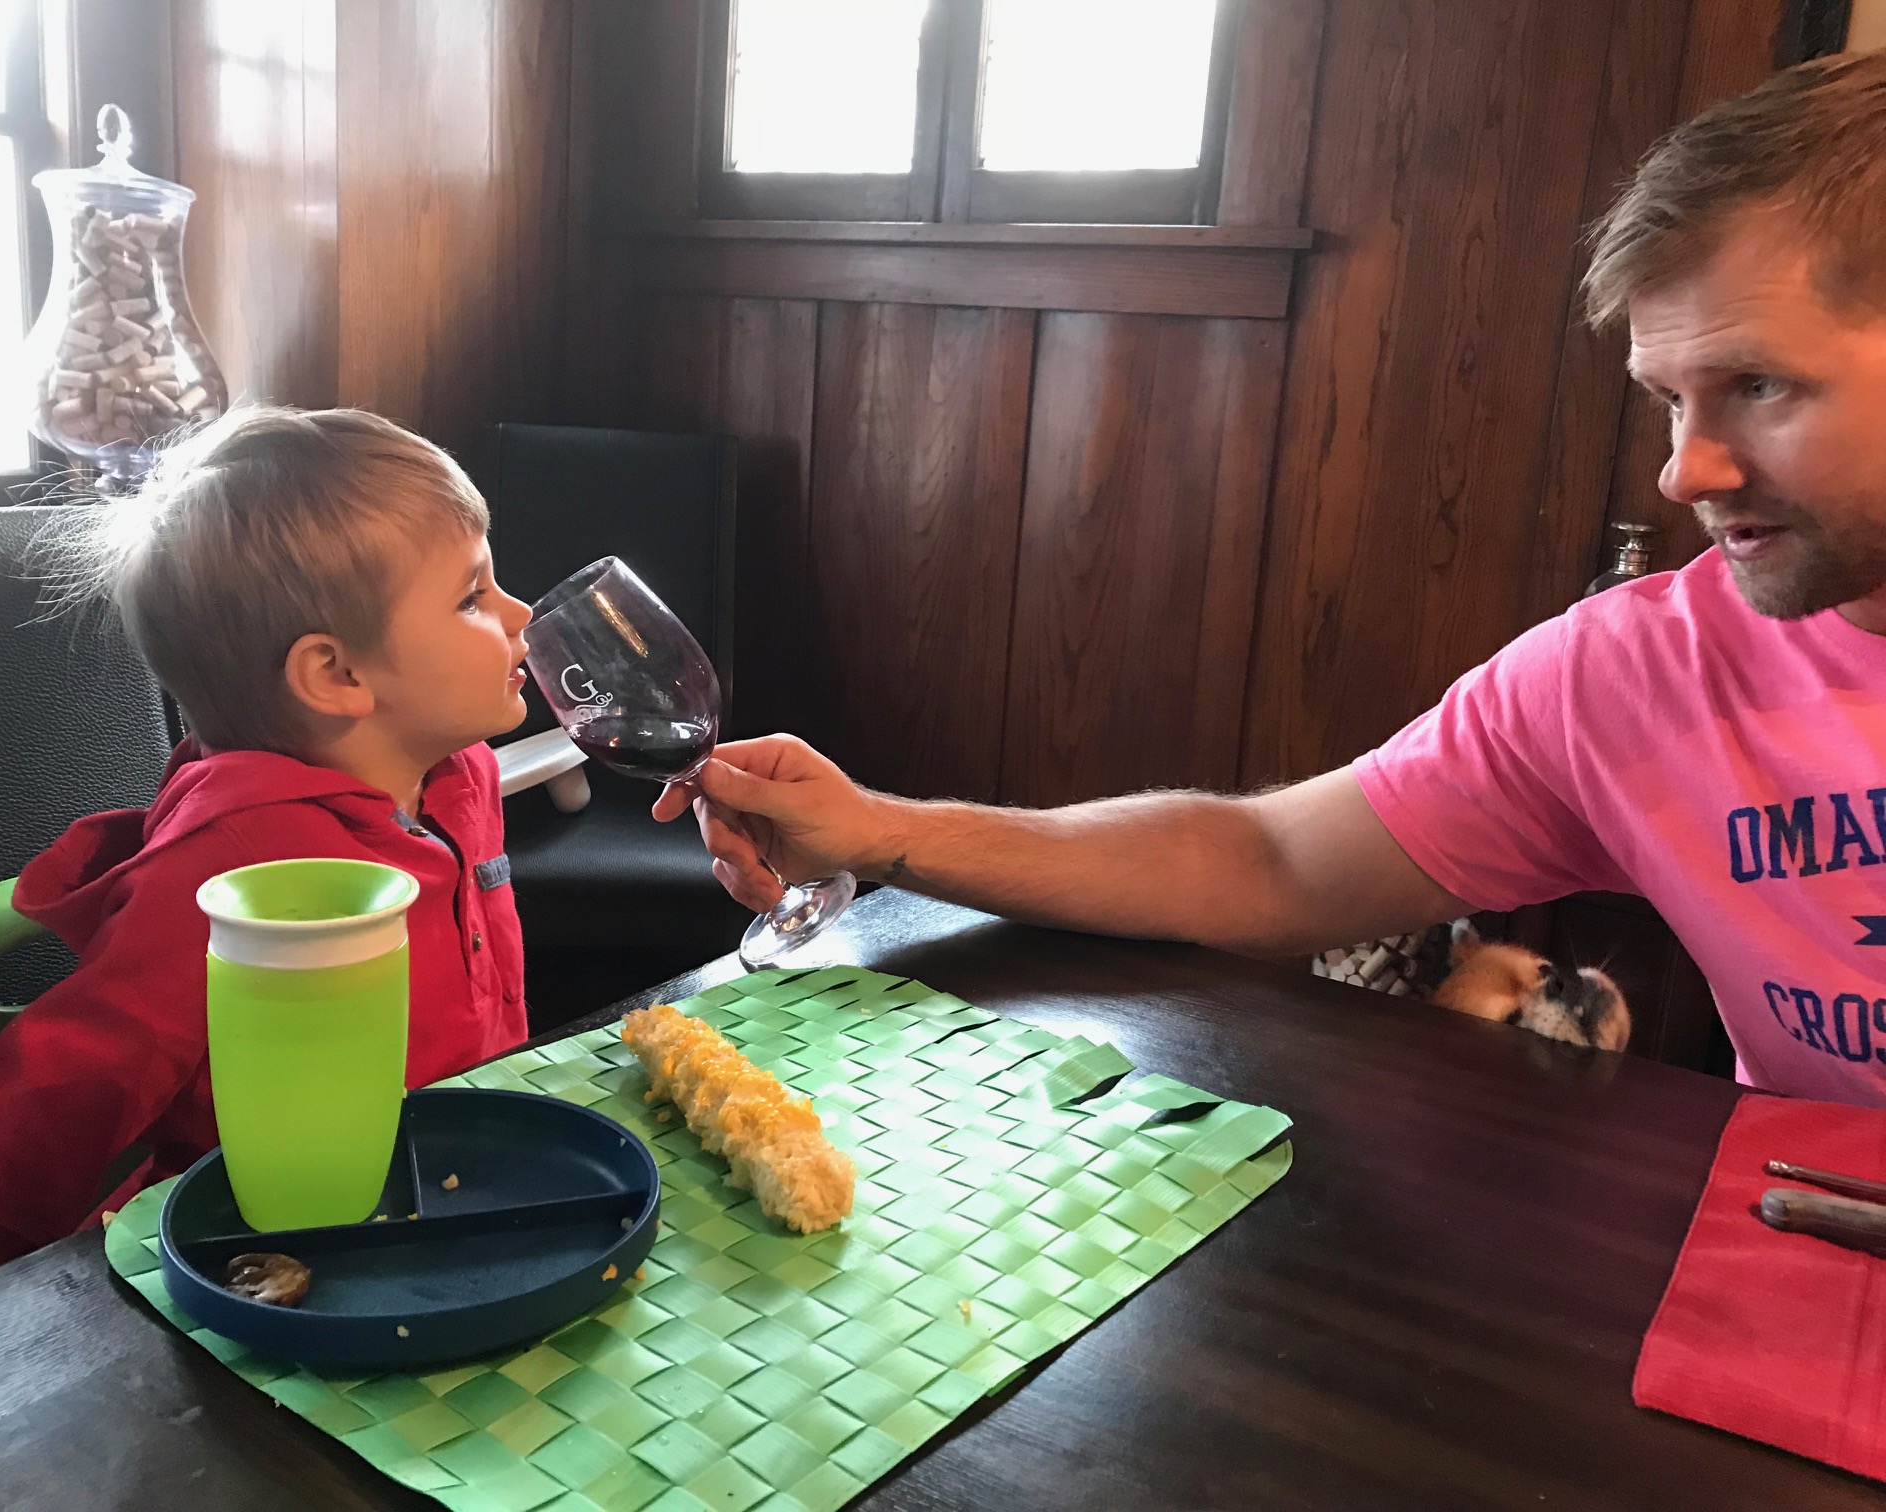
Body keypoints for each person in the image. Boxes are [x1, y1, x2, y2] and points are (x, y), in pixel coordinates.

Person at [656, 52, 1886, 1108]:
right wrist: (883, 832)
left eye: (1760, 386)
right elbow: (1266, 861)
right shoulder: (1635, 669)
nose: (1684, 471)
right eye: (1669, 400)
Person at [0, 407, 535, 1313]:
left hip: (454, 1215)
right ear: (336, 675)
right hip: (272, 1269)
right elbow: (57, 1105)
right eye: (472, 597)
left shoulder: (459, 775)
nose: (519, 613)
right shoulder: (231, 864)